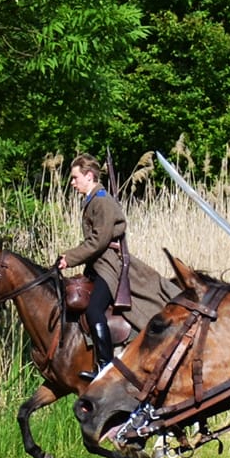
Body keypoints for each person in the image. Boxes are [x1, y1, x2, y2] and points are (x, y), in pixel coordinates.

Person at [54, 154, 176, 378]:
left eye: (75, 178)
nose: (72, 183)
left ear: (89, 176)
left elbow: (98, 241)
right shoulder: (94, 200)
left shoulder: (101, 200)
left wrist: (68, 258)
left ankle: (104, 368)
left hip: (108, 266)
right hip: (98, 264)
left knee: (93, 310)